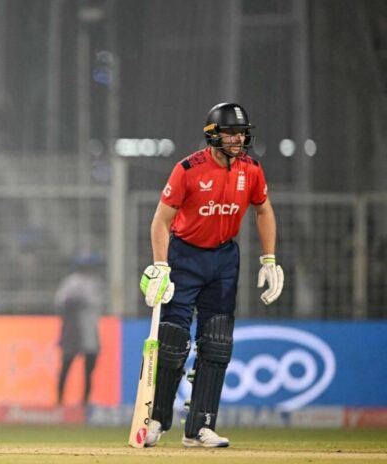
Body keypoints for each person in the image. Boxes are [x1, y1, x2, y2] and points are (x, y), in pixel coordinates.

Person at [140, 103, 284, 448]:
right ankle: (156, 419)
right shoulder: (187, 169)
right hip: (184, 256)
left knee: (217, 344)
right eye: (231, 133)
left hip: (223, 260)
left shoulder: (251, 170)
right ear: (213, 135)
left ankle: (200, 427)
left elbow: (263, 210)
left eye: (241, 133)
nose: (238, 139)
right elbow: (161, 220)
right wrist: (161, 265)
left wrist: (269, 259)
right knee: (172, 342)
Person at [55, 253, 105, 406]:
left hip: (89, 329)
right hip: (73, 329)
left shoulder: (96, 283)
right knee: (66, 365)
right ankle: (60, 400)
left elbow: (99, 304)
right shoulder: (71, 282)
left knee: (89, 368)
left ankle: (85, 401)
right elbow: (61, 302)